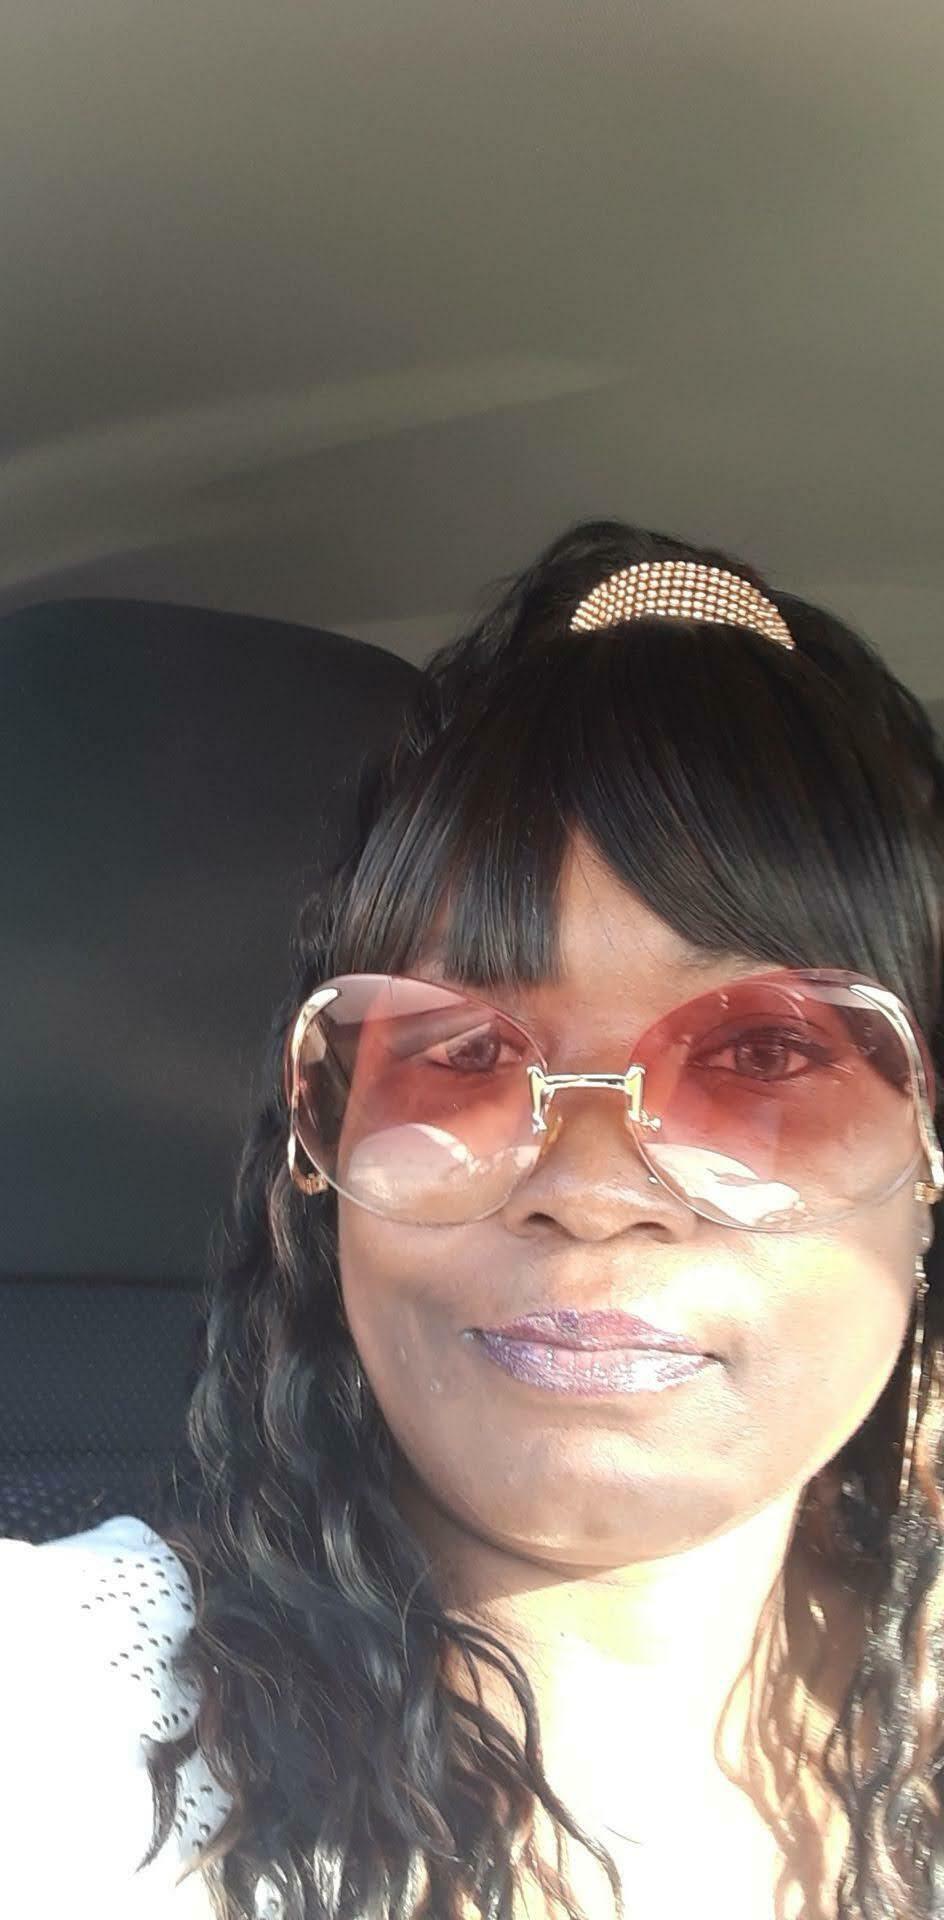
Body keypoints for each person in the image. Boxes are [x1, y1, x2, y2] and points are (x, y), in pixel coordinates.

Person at [3, 519, 943, 1920]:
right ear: (323, 1146)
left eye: (762, 1055)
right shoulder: (57, 1724)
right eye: (460, 1053)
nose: (589, 1186)